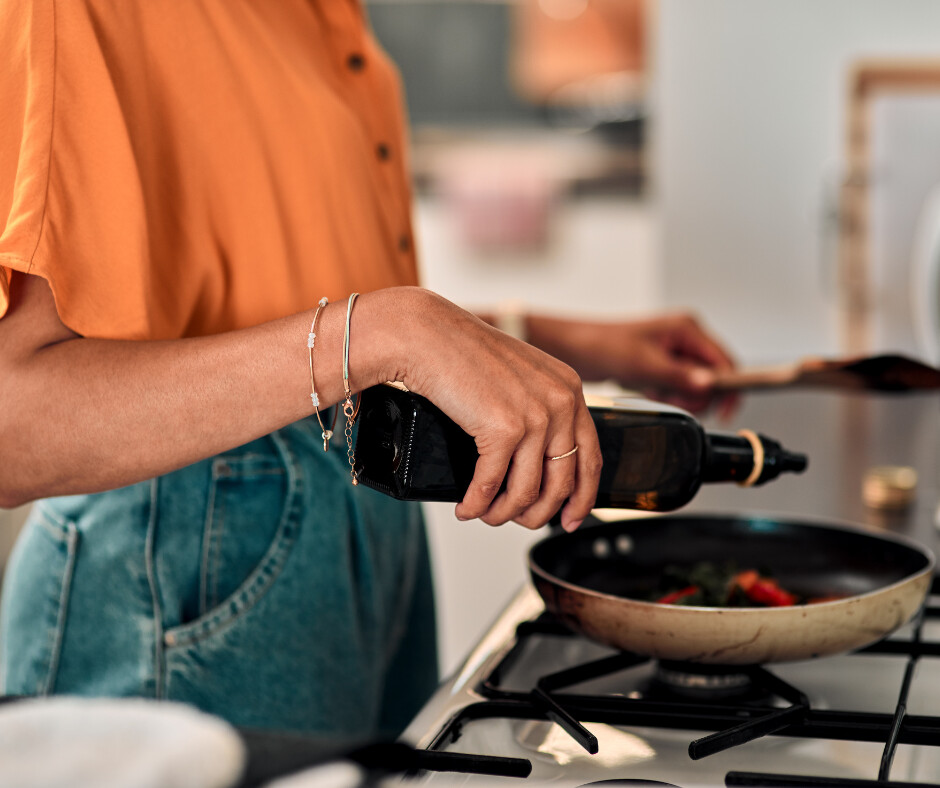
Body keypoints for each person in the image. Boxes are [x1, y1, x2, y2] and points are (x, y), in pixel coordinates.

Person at [0, 0, 735, 739]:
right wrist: (391, 332)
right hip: (186, 566)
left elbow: (300, 305)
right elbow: (12, 425)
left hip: (357, 524)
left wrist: (545, 338)